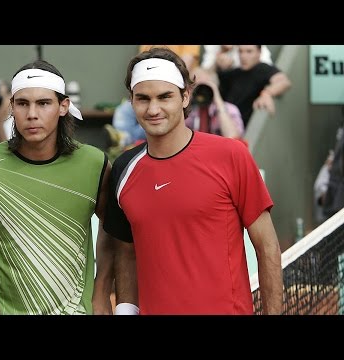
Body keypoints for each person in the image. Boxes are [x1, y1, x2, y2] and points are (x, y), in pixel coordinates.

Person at [103, 47, 283, 315]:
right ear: (132, 101)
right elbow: (127, 253)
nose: (154, 109)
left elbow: (267, 247)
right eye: (143, 98)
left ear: (185, 96)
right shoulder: (123, 168)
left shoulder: (231, 155)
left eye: (165, 97)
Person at [0, 60, 115, 315]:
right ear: (11, 107)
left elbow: (112, 231)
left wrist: (100, 294)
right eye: (22, 103)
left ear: (63, 106)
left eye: (43, 103)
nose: (32, 114)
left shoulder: (95, 165)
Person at [218, 45, 292, 128]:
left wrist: (266, 93)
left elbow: (284, 81)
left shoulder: (262, 69)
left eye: (249, 51)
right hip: (223, 124)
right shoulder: (234, 73)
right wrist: (222, 53)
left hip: (242, 129)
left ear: (259, 52)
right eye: (240, 51)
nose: (243, 56)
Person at [187, 67, 244, 138]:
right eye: (195, 86)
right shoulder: (190, 112)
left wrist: (218, 100)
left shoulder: (230, 109)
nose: (201, 91)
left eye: (205, 86)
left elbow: (232, 136)